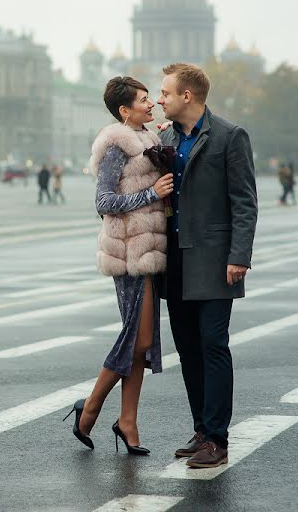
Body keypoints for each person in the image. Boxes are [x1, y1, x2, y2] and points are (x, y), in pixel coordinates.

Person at [156, 63, 257, 469]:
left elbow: (245, 202)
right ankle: (201, 429)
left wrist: (239, 255)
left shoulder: (230, 136)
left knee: (213, 344)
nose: (159, 98)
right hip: (174, 258)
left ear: (187, 96)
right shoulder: (164, 138)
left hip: (215, 260)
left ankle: (217, 438)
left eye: (165, 92)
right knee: (188, 349)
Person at [66, 76, 173, 455]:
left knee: (142, 345)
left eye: (150, 99)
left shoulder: (150, 139)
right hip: (128, 256)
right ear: (124, 110)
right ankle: (90, 410)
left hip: (150, 254)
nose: (151, 104)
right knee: (136, 339)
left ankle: (128, 421)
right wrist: (151, 193)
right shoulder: (117, 146)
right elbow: (104, 201)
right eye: (144, 100)